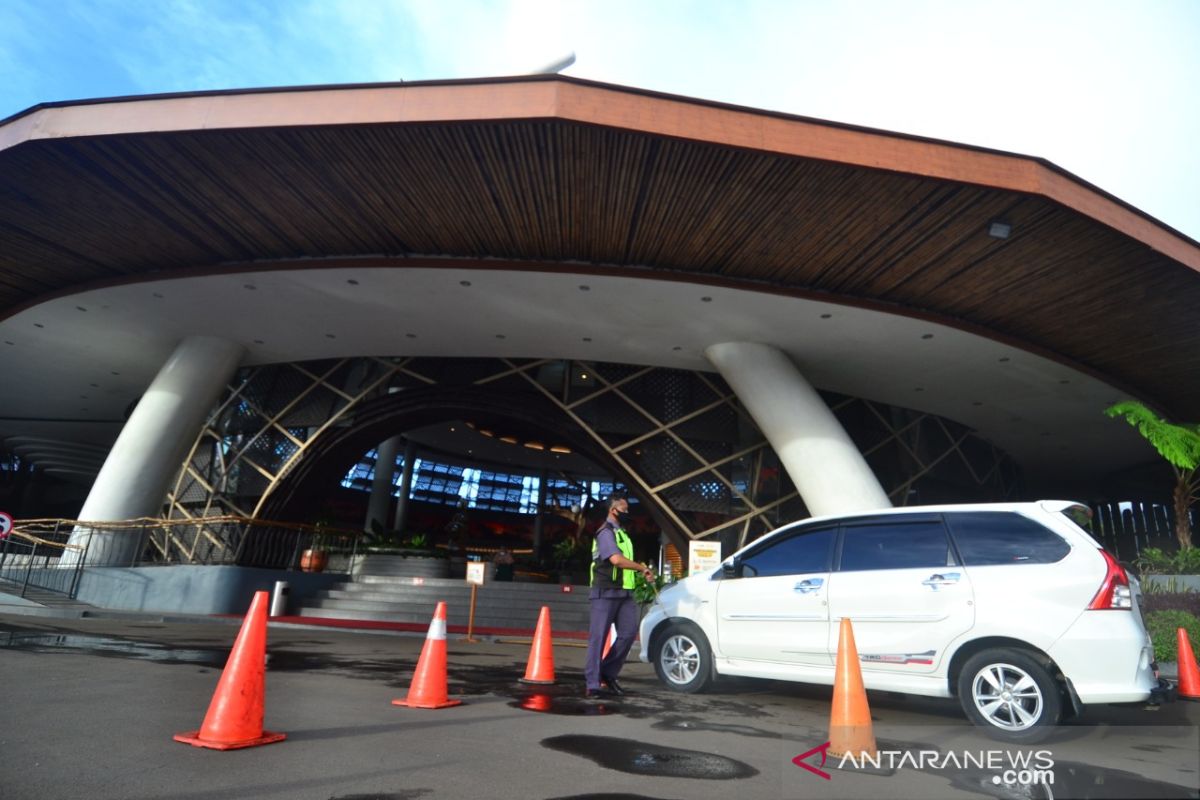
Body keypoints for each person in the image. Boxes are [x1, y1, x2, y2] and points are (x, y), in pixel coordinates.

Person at [584, 490, 655, 698]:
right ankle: (592, 683)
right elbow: (616, 560)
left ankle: (607, 672)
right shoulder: (605, 532)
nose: (627, 512)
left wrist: (642, 574)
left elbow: (625, 566)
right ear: (613, 510)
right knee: (598, 638)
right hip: (605, 592)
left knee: (627, 634)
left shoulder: (622, 533)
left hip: (624, 594)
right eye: (624, 509)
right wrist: (641, 568)